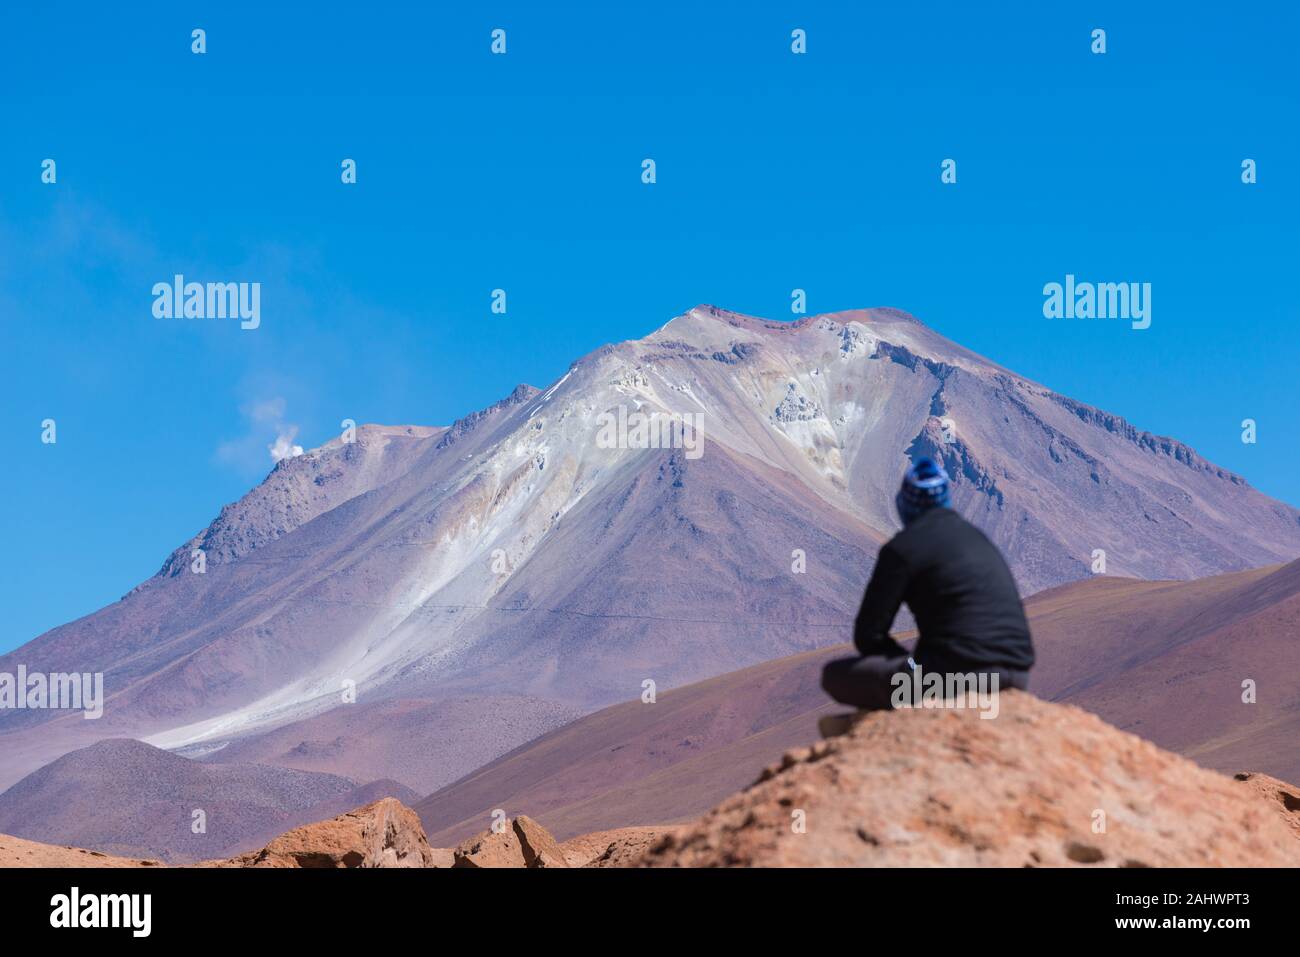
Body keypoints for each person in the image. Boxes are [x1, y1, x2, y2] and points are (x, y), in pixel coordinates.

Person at [819, 456, 1034, 729]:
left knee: (836, 676)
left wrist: (905, 663)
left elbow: (869, 635)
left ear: (905, 503)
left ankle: (875, 729)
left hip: (951, 680)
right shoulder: (977, 539)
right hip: (1015, 678)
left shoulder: (902, 549)